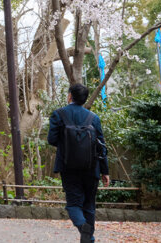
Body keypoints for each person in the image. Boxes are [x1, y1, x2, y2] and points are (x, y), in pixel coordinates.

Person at [48, 83, 109, 243]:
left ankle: (84, 228)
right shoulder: (93, 118)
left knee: (73, 204)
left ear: (70, 96)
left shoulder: (59, 114)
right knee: (89, 205)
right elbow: (101, 147)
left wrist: (69, 145)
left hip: (69, 168)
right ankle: (88, 238)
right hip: (92, 168)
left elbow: (52, 139)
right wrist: (105, 171)